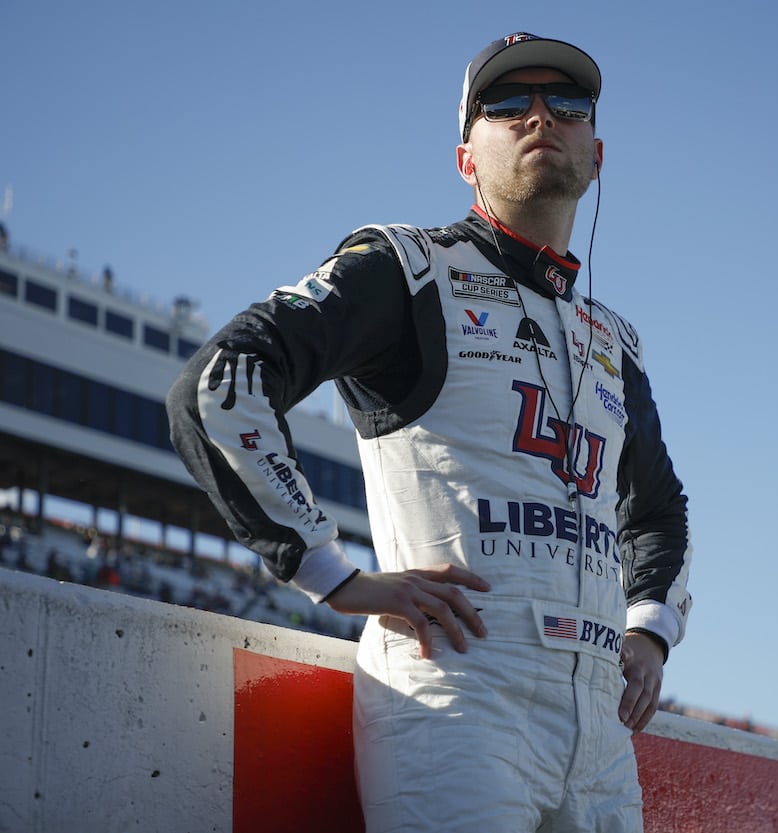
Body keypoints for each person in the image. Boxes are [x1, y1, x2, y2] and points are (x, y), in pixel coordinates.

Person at [166, 32, 693, 833]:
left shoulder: (615, 340)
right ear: (464, 156)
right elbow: (219, 382)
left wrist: (649, 630)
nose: (539, 117)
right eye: (508, 103)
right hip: (458, 698)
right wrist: (331, 571)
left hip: (602, 732)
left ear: (597, 152)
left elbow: (657, 508)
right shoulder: (410, 268)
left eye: (568, 104)